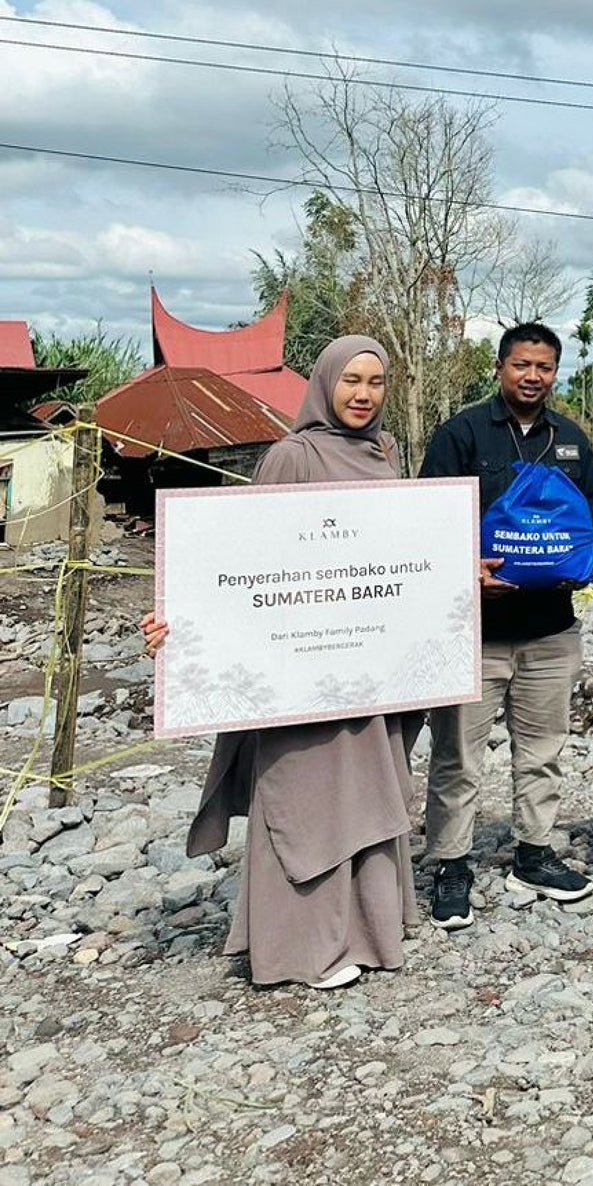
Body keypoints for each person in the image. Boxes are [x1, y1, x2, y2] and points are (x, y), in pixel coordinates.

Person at [140, 336, 418, 989]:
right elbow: (244, 566)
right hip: (300, 673)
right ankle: (297, 950)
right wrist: (182, 625)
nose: (363, 394)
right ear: (325, 382)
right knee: (304, 796)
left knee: (369, 790)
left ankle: (369, 935)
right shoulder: (290, 457)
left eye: (376, 382)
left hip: (367, 669)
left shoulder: (386, 455)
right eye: (351, 379)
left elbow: (403, 560)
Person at [419, 322, 593, 928]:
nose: (533, 377)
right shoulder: (461, 434)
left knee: (543, 751)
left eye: (545, 368)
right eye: (522, 365)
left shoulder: (572, 440)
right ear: (500, 366)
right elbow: (426, 524)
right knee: (458, 758)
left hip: (551, 631)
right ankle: (451, 863)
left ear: (556, 373)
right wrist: (464, 567)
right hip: (474, 634)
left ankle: (534, 850)